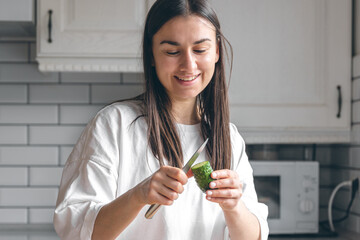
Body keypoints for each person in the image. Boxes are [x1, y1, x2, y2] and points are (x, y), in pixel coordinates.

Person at [53, 0, 269, 239]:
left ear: (216, 51)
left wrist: (234, 206)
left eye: (200, 50)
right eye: (172, 51)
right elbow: (77, 231)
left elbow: (254, 236)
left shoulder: (229, 138)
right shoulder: (114, 125)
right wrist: (138, 195)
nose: (189, 64)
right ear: (152, 55)